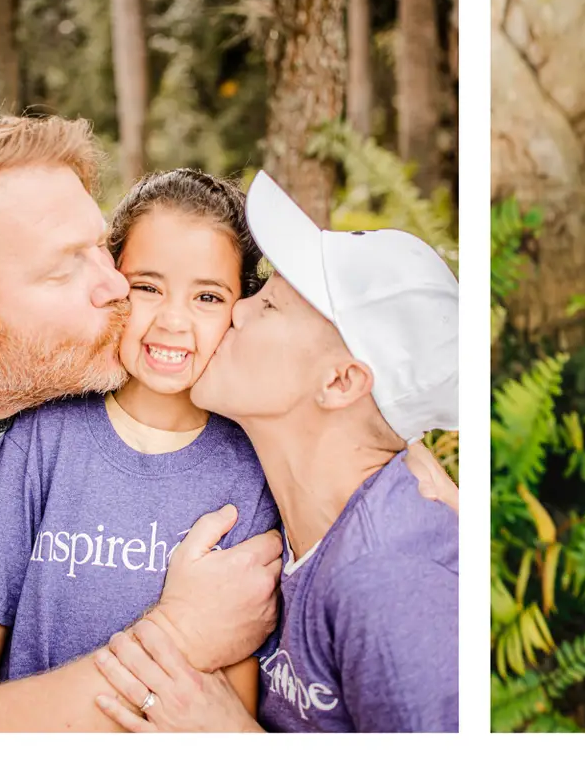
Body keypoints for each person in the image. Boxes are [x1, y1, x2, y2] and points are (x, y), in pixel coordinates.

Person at [0, 114, 282, 731]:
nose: (116, 287)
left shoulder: (58, 385)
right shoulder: (41, 443)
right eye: (64, 267)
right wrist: (183, 628)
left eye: (100, 248)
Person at [91, 172, 460, 732]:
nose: (236, 309)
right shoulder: (312, 509)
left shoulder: (388, 586)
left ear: (340, 383)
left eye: (269, 307)